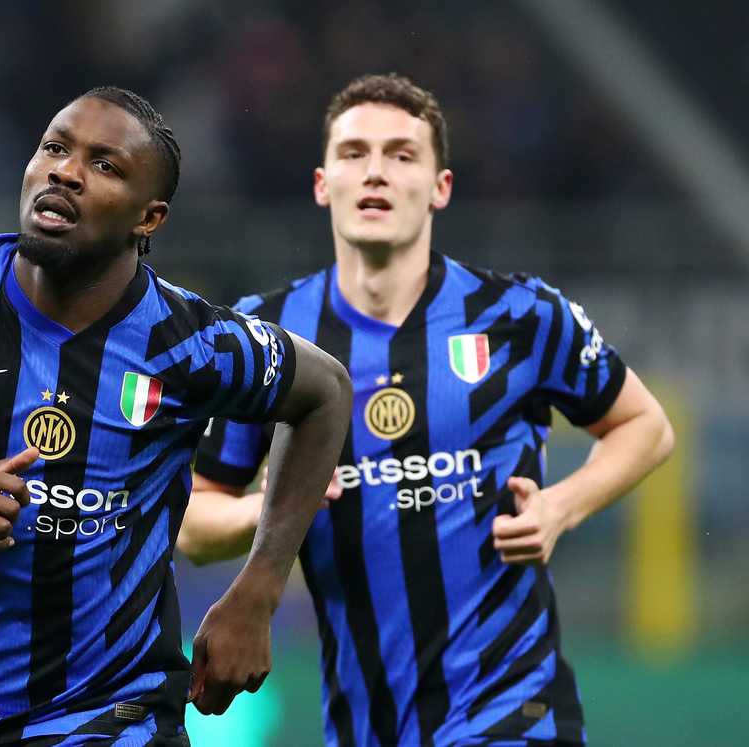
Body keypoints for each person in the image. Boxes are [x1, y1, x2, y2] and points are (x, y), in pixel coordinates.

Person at [0, 86, 352, 746]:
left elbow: (326, 390)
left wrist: (258, 589)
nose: (65, 171)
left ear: (150, 217)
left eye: (104, 165)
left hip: (123, 720)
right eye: (55, 147)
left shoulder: (189, 341)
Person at [178, 74, 675, 747]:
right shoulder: (266, 337)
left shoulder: (519, 317)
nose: (376, 171)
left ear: (440, 186)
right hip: (364, 722)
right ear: (324, 183)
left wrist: (563, 505)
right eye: (354, 153)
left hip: (515, 710)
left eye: (401, 155)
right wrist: (270, 511)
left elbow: (647, 427)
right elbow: (193, 520)